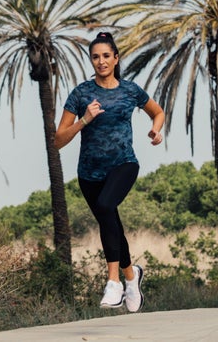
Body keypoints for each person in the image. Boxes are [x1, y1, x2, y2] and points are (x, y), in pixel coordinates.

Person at [54, 31, 165, 312]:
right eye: (95, 57)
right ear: (91, 61)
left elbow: (158, 111)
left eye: (106, 56)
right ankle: (132, 275)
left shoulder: (130, 90)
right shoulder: (80, 94)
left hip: (123, 164)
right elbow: (58, 140)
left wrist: (156, 130)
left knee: (106, 207)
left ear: (116, 58)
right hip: (89, 174)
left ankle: (113, 282)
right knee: (110, 220)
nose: (101, 61)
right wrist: (84, 120)